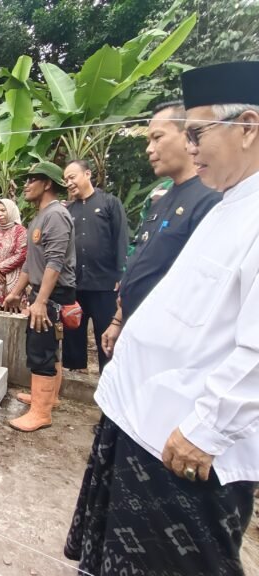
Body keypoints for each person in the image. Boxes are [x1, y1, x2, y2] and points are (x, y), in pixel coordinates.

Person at [65, 61, 259, 576]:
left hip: (184, 441)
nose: (191, 147)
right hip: (145, 418)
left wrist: (207, 428)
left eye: (197, 133)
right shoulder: (228, 204)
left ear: (247, 126)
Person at [102, 101, 221, 359]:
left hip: (172, 344)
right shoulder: (162, 198)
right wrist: (119, 320)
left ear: (187, 134)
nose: (149, 149)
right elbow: (143, 260)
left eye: (157, 138)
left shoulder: (210, 199)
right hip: (138, 330)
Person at [2, 162, 76, 432]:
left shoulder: (55, 215)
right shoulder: (41, 216)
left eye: (32, 179)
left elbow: (55, 262)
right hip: (43, 291)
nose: (26, 184)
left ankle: (41, 413)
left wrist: (41, 301)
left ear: (47, 184)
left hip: (52, 293)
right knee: (48, 347)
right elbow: (31, 264)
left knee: (41, 349)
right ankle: (47, 398)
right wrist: (16, 292)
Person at [62, 160, 128, 374]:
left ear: (87, 174)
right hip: (76, 284)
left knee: (105, 334)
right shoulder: (67, 210)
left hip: (104, 283)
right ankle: (75, 371)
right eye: (66, 180)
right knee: (74, 331)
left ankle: (107, 375)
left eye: (72, 177)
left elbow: (121, 238)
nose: (69, 183)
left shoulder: (109, 203)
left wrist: (121, 273)